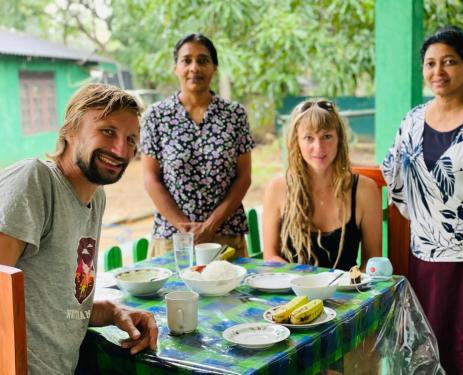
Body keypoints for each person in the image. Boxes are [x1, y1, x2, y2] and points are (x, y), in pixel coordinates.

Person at [0, 84, 158, 374]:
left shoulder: (96, 197)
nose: (121, 149)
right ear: (70, 131)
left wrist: (113, 312)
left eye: (131, 139)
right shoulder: (35, 182)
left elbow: (62, 306)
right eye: (108, 131)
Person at [382, 26, 463, 374]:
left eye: (449, 61)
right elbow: (396, 179)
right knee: (428, 358)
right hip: (425, 262)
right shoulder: (413, 120)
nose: (439, 71)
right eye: (431, 63)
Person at [141, 33, 255, 258]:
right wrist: (185, 228)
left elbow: (244, 177)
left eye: (203, 60)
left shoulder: (235, 115)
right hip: (173, 238)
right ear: (176, 68)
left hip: (226, 235)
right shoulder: (156, 115)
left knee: (229, 293)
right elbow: (151, 178)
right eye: (187, 60)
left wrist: (210, 225)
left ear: (214, 67)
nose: (195, 67)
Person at [263, 99, 382, 270]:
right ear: (297, 141)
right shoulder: (277, 188)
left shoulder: (364, 190)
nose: (319, 147)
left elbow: (372, 261)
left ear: (339, 138)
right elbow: (270, 256)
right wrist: (306, 285)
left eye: (327, 136)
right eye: (309, 138)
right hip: (291, 291)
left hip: (347, 292)